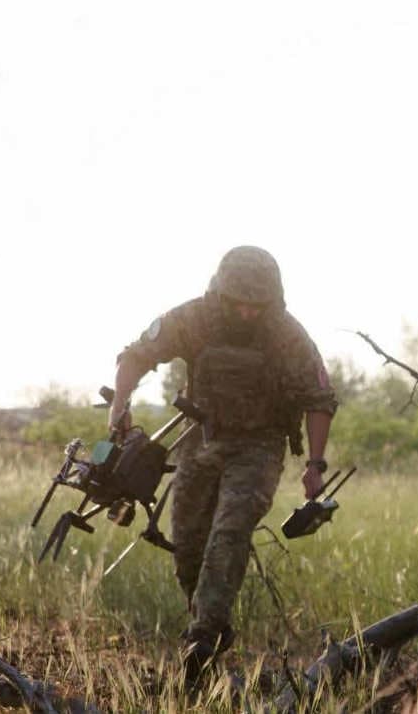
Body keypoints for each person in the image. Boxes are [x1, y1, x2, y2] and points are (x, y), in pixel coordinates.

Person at [107, 245, 338, 688]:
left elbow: (319, 399)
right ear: (220, 294)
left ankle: (202, 639)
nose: (248, 313)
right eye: (238, 303)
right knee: (188, 544)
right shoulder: (195, 318)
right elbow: (136, 355)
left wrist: (315, 465)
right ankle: (211, 628)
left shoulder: (288, 335)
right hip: (201, 438)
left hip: (260, 446)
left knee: (229, 532)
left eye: (257, 305)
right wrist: (120, 404)